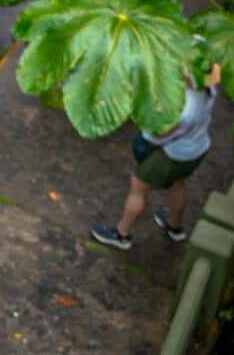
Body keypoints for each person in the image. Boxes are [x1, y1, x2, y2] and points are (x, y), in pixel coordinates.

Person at [91, 64, 224, 250]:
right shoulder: (208, 89)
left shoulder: (187, 111)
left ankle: (121, 234)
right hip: (196, 149)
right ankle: (174, 227)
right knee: (177, 183)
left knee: (138, 185)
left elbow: (158, 135)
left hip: (173, 155)